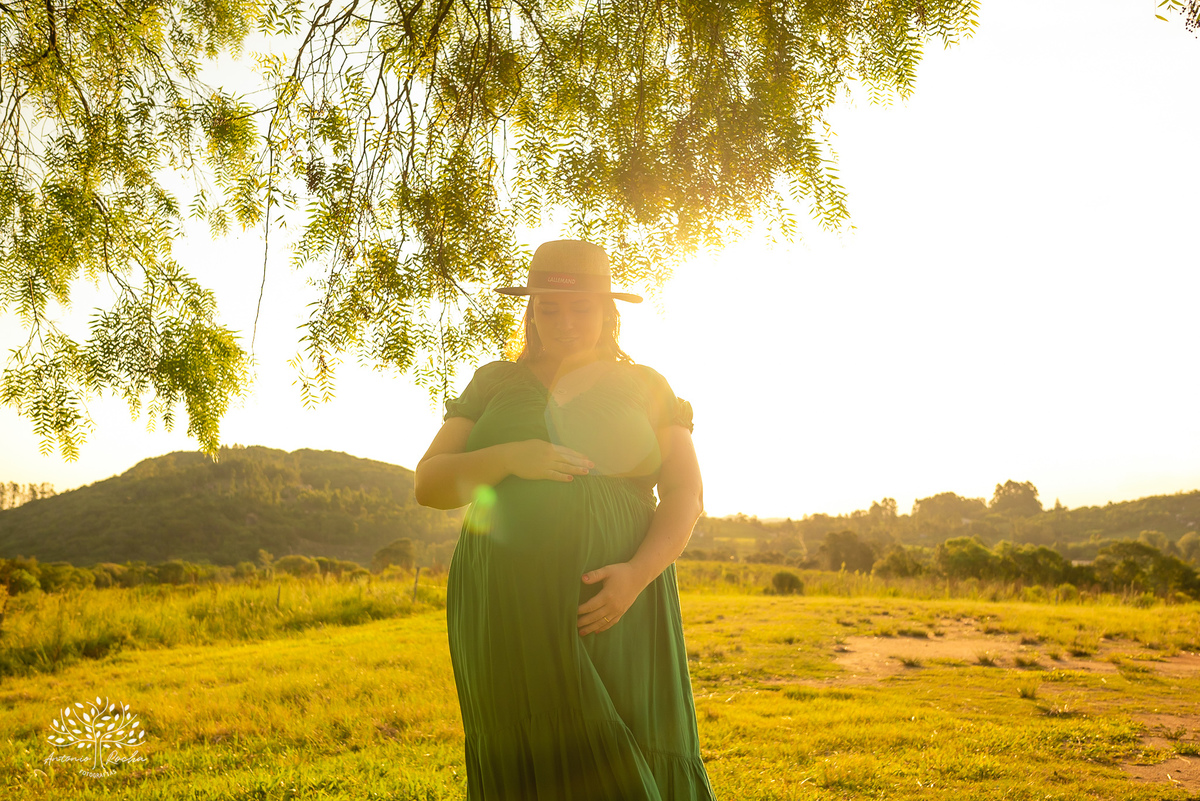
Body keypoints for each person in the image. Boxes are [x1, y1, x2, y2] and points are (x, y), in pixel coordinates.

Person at [415, 239, 718, 800]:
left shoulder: (646, 384)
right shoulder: (493, 381)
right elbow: (429, 482)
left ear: (608, 311)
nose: (566, 322)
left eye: (581, 307)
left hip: (618, 594)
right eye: (548, 308)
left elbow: (685, 490)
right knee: (532, 749)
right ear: (530, 311)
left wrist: (635, 575)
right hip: (506, 601)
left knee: (627, 746)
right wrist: (507, 458)